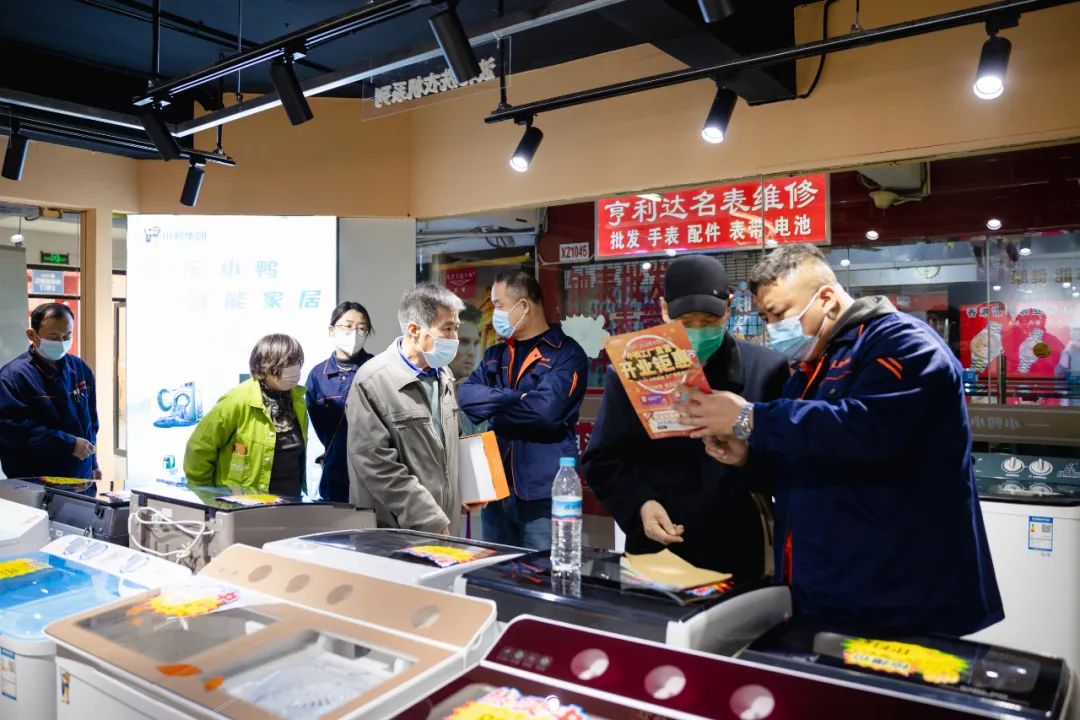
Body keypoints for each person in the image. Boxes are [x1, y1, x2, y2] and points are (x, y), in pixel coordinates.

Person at [680, 244, 1003, 636]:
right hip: (827, 585)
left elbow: (866, 429)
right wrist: (748, 457)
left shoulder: (905, 344)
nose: (773, 328)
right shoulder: (814, 365)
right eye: (765, 318)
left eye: (779, 313)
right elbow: (807, 457)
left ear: (827, 298)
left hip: (899, 590)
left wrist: (750, 418)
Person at [582, 255, 789, 577]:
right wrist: (641, 504)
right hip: (657, 548)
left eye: (708, 320)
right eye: (686, 321)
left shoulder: (766, 369)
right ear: (665, 310)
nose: (698, 331)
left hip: (738, 545)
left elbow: (786, 462)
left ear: (729, 307)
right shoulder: (633, 370)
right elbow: (602, 459)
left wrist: (746, 457)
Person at [459, 271, 589, 549]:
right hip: (496, 490)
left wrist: (494, 408)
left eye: (499, 305)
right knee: (496, 568)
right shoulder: (495, 355)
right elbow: (467, 397)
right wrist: (518, 398)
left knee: (544, 571)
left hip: (543, 495)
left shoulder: (566, 354)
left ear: (524, 306)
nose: (494, 314)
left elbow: (545, 413)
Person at [346, 283, 463, 534]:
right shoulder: (373, 380)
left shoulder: (444, 375)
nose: (455, 338)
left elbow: (448, 447)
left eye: (456, 328)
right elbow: (375, 462)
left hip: (443, 525)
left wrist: (466, 492)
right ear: (414, 330)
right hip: (395, 531)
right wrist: (428, 518)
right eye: (447, 329)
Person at [184, 334, 308, 495]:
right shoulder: (236, 400)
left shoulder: (297, 400)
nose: (293, 370)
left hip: (290, 500)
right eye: (285, 364)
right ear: (263, 367)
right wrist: (206, 495)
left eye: (296, 362)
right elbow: (200, 448)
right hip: (245, 503)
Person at [0, 303, 100, 481]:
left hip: (80, 474)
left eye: (67, 336)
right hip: (34, 478)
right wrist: (68, 444)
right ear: (32, 335)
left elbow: (90, 422)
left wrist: (93, 463)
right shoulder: (12, 377)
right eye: (53, 337)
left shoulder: (80, 369)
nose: (61, 343)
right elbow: (11, 429)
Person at [306, 301, 375, 502]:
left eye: (361, 328)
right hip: (334, 474)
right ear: (332, 330)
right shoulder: (318, 375)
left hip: (372, 474)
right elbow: (319, 427)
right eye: (348, 326)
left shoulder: (377, 368)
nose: (354, 332)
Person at [451, 304, 488, 436]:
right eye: (464, 342)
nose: (472, 352)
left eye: (476, 343)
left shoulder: (478, 399)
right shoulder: (422, 394)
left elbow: (487, 445)